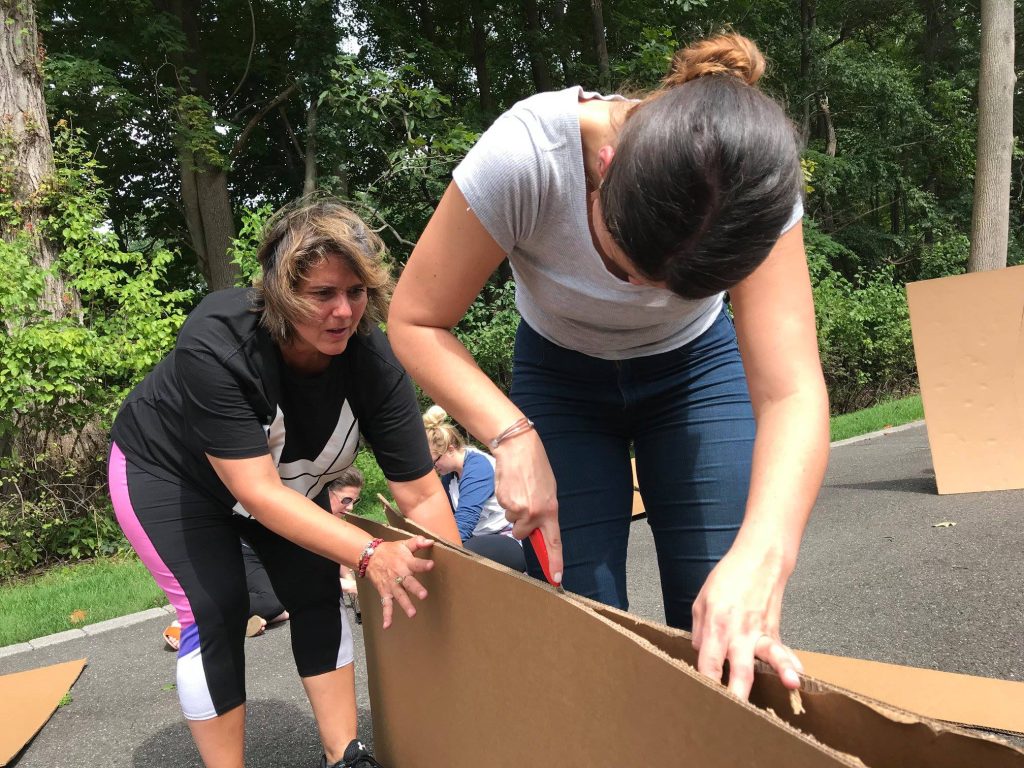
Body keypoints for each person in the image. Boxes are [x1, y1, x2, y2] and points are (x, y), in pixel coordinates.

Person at [388, 33, 830, 702]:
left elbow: (793, 390)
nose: (639, 293)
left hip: (696, 374)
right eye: (624, 266)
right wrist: (508, 433)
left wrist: (765, 555)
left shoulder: (755, 194)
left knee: (724, 609)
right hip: (561, 380)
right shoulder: (527, 156)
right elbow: (414, 320)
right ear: (606, 164)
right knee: (585, 621)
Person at [108, 200, 460, 768]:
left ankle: (345, 754)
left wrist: (462, 589)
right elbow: (257, 494)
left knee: (318, 589)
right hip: (172, 472)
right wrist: (370, 552)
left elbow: (420, 493)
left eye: (357, 292)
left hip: (280, 480)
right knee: (215, 609)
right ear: (279, 292)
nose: (343, 311)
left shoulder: (375, 361)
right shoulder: (218, 341)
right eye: (323, 294)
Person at [422, 406, 527, 572]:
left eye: (435, 462)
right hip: (482, 536)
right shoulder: (450, 476)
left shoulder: (478, 468)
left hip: (510, 538)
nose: (434, 468)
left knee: (465, 552)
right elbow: (445, 514)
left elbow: (464, 523)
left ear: (450, 450)